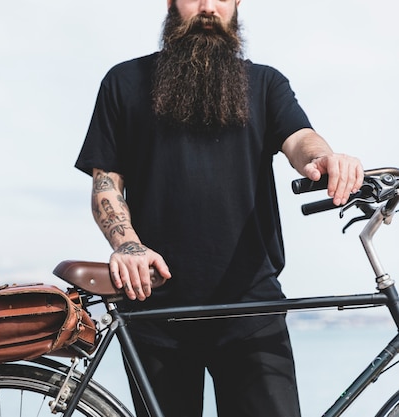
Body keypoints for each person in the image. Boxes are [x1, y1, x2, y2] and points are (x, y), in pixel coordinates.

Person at [74, 1, 364, 416]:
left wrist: (328, 159)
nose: (209, 7)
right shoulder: (125, 81)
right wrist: (128, 245)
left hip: (252, 312)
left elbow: (302, 140)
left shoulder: (265, 84)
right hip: (154, 309)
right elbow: (106, 184)